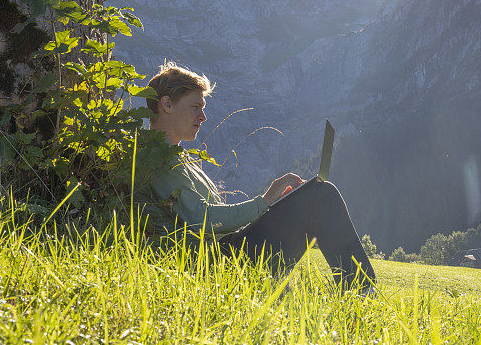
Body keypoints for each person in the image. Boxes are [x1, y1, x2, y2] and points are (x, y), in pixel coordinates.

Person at [133, 61, 375, 293]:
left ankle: (348, 288)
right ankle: (361, 291)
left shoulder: (177, 157)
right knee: (321, 196)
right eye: (196, 107)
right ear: (167, 104)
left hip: (225, 251)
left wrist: (273, 208)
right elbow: (201, 218)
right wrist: (265, 201)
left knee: (315, 197)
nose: (203, 117)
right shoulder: (157, 159)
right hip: (217, 261)